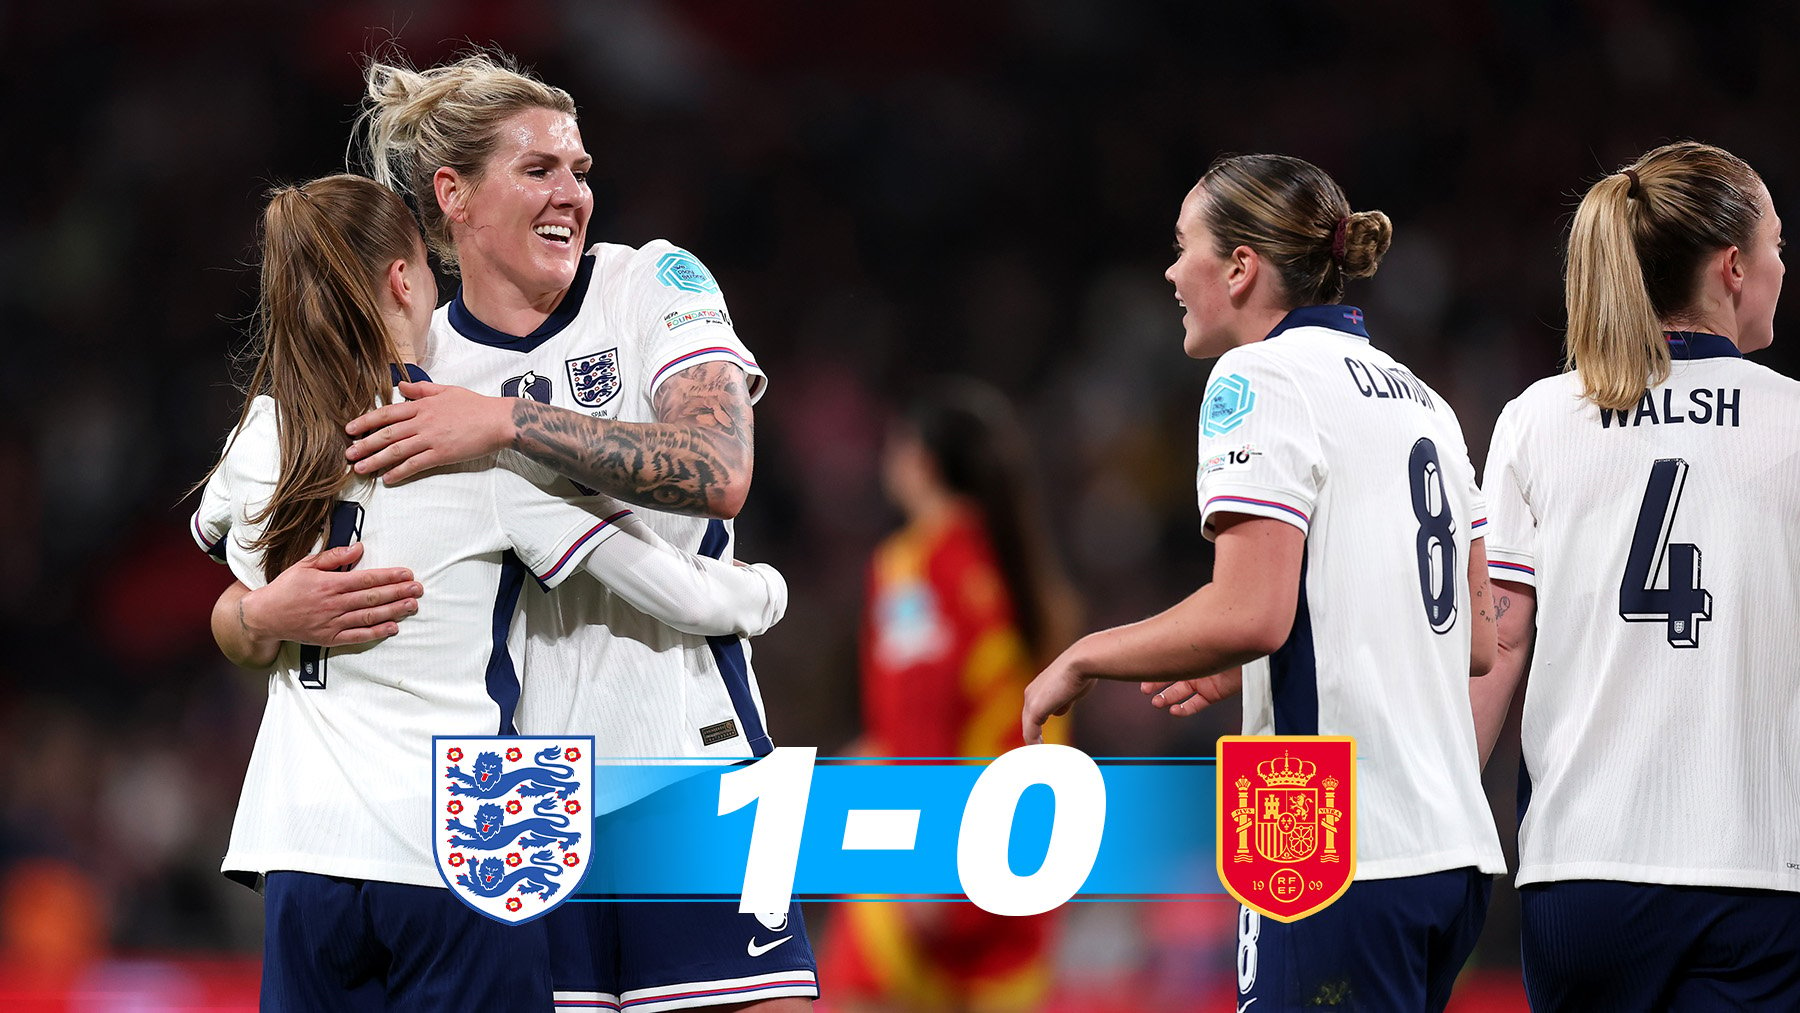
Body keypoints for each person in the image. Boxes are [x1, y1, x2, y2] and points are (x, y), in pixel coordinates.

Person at [211, 52, 818, 1012]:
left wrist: (508, 421)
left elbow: (721, 470)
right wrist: (253, 619)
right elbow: (264, 571)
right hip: (512, 805)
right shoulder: (415, 357)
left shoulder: (652, 279)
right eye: (539, 170)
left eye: (579, 170)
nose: (572, 193)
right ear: (453, 195)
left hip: (690, 753)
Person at [1020, 153, 1505, 1011]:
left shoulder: (1258, 377)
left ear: (1241, 267)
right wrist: (1249, 662)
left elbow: (1251, 611)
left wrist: (1086, 656)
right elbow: (1471, 640)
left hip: (1320, 839)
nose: (1171, 273)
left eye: (1184, 247)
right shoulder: (1425, 399)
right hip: (1450, 844)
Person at [1473, 141, 1800, 1010]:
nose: (1781, 264)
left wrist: (1432, 831)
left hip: (1578, 876)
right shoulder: (1795, 425)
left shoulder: (1537, 419)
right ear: (1733, 267)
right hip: (1756, 874)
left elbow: (1494, 647)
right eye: (1775, 242)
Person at [826, 379, 1077, 1012]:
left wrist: (920, 860)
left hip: (939, 861)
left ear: (921, 463)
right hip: (1025, 865)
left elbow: (921, 711)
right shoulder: (1028, 574)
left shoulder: (913, 568)